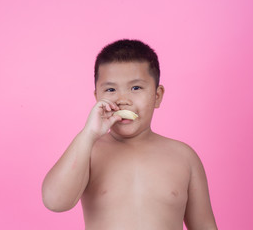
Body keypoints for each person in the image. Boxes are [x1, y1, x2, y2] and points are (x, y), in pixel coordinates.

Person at [42, 39, 218, 230]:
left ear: (157, 96)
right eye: (110, 89)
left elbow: (204, 225)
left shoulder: (184, 156)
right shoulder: (89, 151)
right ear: (97, 98)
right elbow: (55, 202)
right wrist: (88, 134)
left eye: (136, 88)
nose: (123, 100)